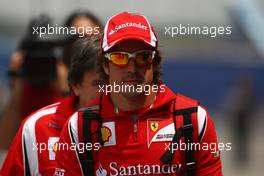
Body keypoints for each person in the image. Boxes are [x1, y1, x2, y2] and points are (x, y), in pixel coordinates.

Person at [54, 12, 222, 176]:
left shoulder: (192, 119)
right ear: (105, 65)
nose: (132, 68)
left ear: (155, 63)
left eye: (143, 57)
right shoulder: (79, 127)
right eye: (120, 57)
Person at [0, 36, 101, 176]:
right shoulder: (36, 127)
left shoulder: (138, 124)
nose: (109, 91)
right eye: (99, 84)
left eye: (113, 83)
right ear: (75, 85)